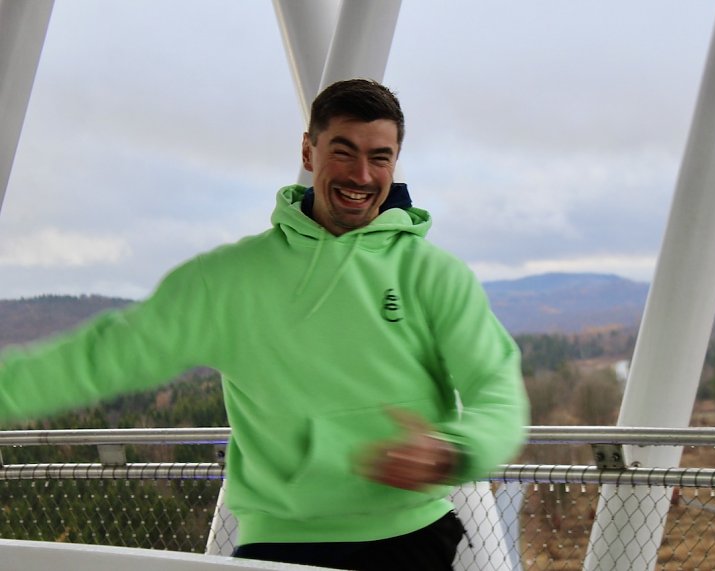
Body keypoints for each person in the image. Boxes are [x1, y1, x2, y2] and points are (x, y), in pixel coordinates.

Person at [0, 79, 529, 570]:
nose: (361, 175)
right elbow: (99, 357)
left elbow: (497, 388)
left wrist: (453, 450)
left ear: (395, 163)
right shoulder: (228, 281)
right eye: (343, 151)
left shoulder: (434, 275)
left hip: (412, 540)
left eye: (379, 157)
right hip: (278, 544)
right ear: (308, 151)